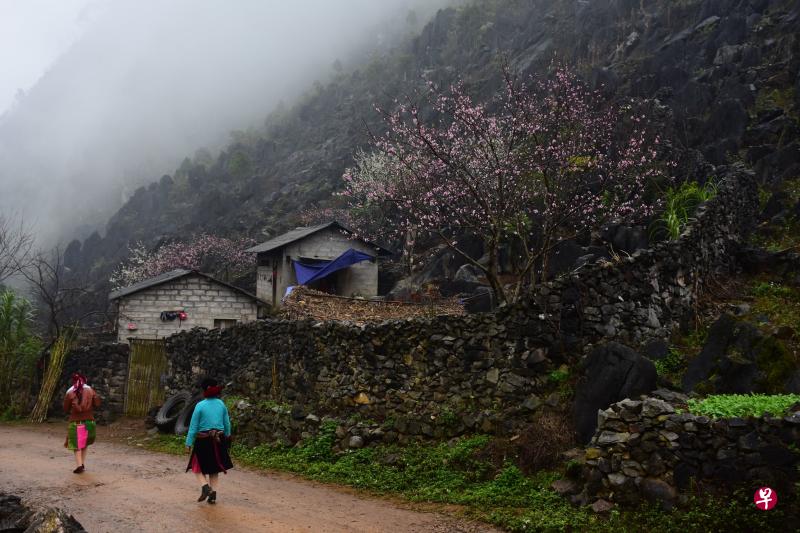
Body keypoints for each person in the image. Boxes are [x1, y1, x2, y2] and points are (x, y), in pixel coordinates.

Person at [185, 378, 233, 504]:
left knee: (197, 466)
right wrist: (227, 437)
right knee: (214, 468)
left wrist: (188, 443)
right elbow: (227, 423)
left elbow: (193, 427)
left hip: (203, 440)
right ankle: (213, 494)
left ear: (204, 389)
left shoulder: (200, 406)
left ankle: (205, 487)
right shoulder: (221, 404)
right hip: (219, 439)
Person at [63, 372, 101, 474]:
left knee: (77, 445)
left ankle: (79, 465)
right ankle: (82, 464)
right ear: (84, 380)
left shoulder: (69, 392)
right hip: (89, 421)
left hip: (76, 422)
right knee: (84, 443)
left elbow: (65, 409)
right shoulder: (90, 390)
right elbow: (97, 403)